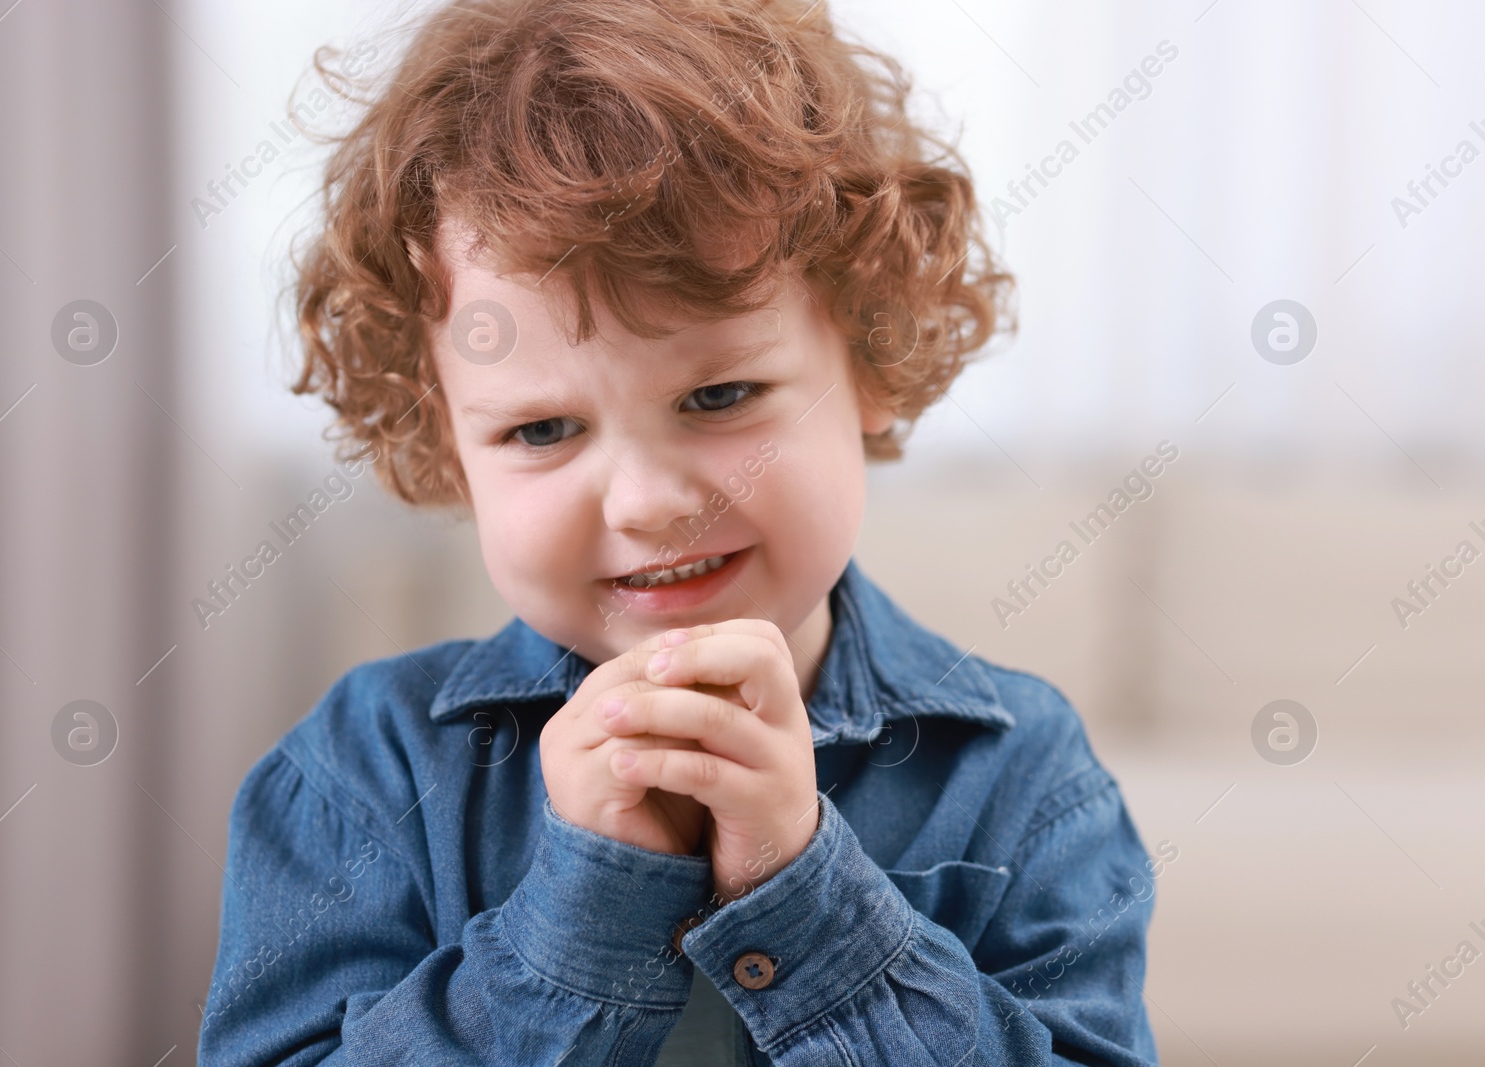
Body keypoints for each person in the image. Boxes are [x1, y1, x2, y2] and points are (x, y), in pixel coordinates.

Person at [197, 0, 1164, 1063]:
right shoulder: (360, 773)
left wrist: (805, 893)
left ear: (873, 357)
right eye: (541, 427)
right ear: (445, 442)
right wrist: (586, 904)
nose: (646, 502)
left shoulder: (1022, 777)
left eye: (720, 396)